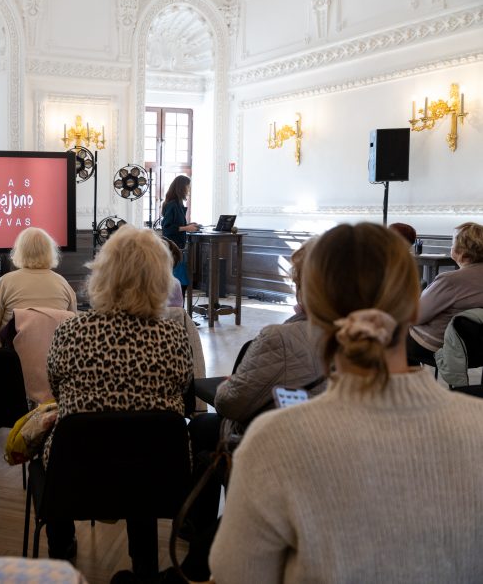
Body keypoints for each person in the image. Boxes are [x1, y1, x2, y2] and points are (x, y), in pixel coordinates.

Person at [209, 222, 483, 582]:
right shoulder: (476, 426)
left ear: (309, 309)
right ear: (413, 308)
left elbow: (236, 575)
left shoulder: (273, 442)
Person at [42, 225, 195, 579]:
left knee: (66, 437)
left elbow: (57, 391)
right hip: (157, 473)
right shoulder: (173, 337)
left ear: (102, 273)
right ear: (161, 278)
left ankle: (61, 546)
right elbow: (184, 388)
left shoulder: (71, 332)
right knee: (141, 443)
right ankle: (145, 564)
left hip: (78, 472)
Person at [213, 238, 327, 448]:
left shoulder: (280, 338)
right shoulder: (375, 338)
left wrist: (228, 385)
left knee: (204, 426)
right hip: (332, 450)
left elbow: (228, 404)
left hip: (278, 450)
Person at [0, 227, 77, 347]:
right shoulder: (63, 284)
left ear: (20, 251)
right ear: (50, 251)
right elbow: (72, 327)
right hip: (52, 358)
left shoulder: (6, 282)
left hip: (12, 358)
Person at [407, 221, 483, 365]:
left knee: (392, 335)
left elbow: (416, 317)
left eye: (453, 242)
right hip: (477, 350)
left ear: (462, 250)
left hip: (440, 347)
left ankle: (409, 384)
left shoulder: (450, 281)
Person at [160, 175, 199, 293]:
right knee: (180, 283)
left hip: (178, 248)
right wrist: (187, 227)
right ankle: (177, 309)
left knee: (181, 282)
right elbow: (167, 228)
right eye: (188, 187)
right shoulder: (172, 204)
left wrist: (189, 225)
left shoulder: (178, 203)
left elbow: (177, 225)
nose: (189, 190)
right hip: (173, 249)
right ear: (181, 188)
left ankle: (178, 308)